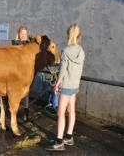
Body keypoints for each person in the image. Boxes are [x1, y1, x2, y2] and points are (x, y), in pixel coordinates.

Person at [46, 23, 85, 151]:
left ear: (69, 35)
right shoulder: (81, 51)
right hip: (75, 86)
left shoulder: (66, 51)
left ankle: (59, 142)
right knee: (71, 110)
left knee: (61, 112)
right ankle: (69, 137)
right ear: (78, 36)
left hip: (67, 85)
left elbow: (62, 71)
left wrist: (57, 84)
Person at [12, 25, 31, 121]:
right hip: (16, 74)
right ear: (18, 34)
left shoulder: (29, 44)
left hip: (26, 74)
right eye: (21, 33)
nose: (23, 35)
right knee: (16, 94)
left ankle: (26, 113)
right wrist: (16, 42)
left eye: (25, 34)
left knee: (26, 94)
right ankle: (16, 113)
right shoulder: (15, 44)